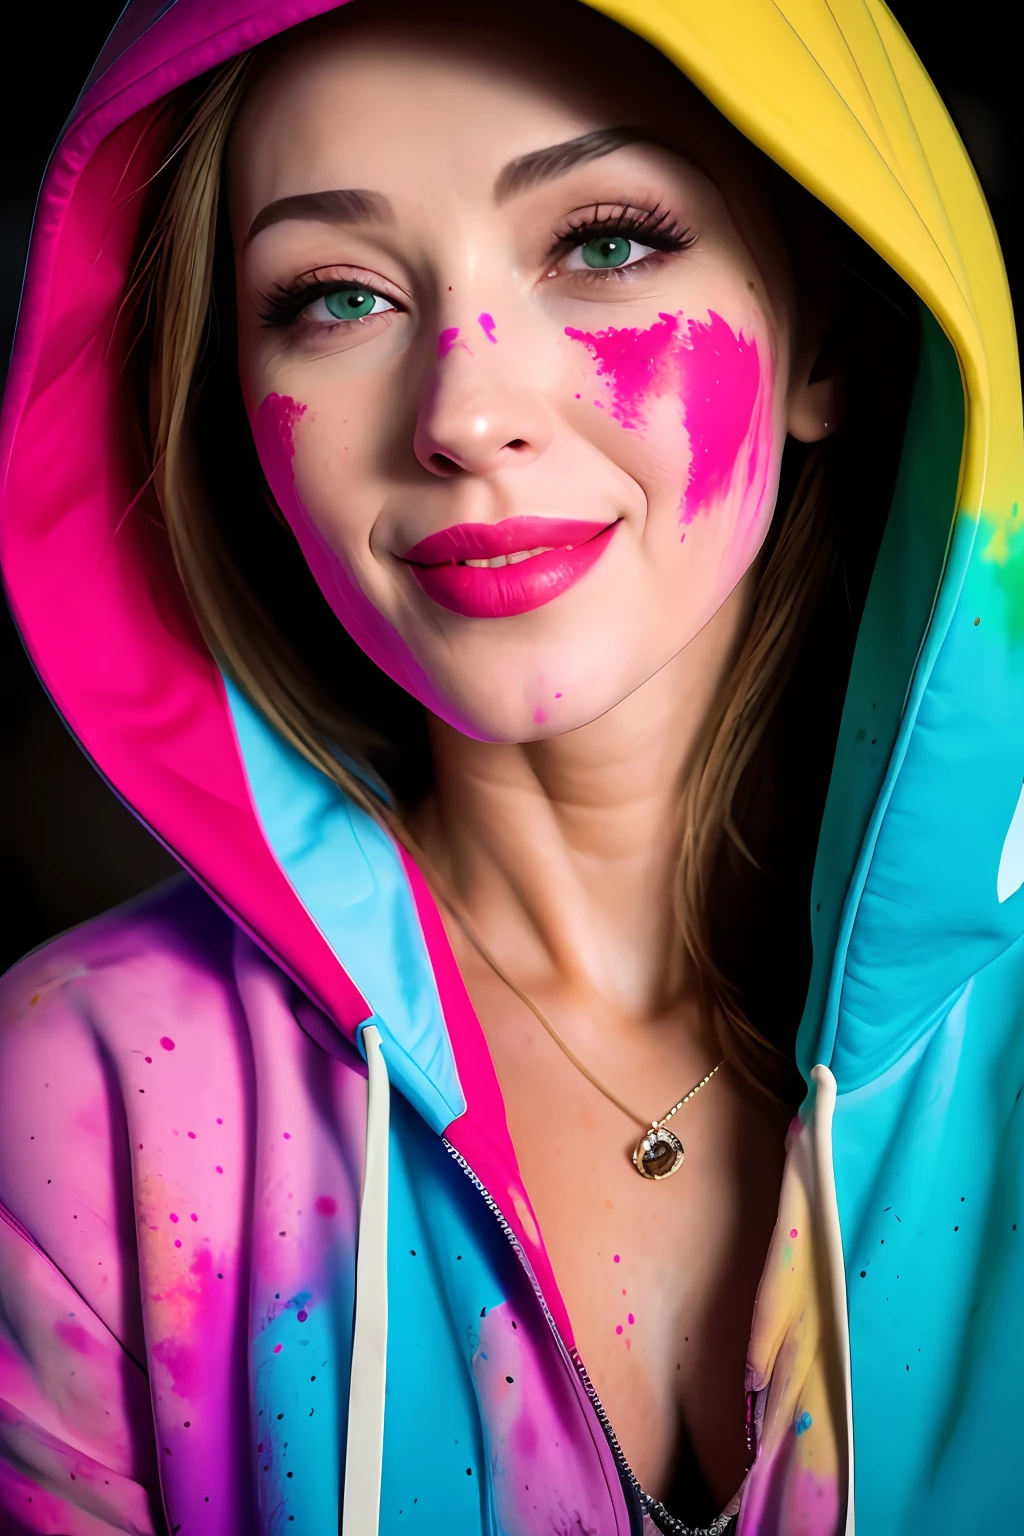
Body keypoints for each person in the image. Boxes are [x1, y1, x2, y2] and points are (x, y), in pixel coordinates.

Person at [0, 0, 1020, 1532]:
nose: (467, 414)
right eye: (335, 298)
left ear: (827, 340)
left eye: (605, 244)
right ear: (241, 426)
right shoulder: (82, 1101)